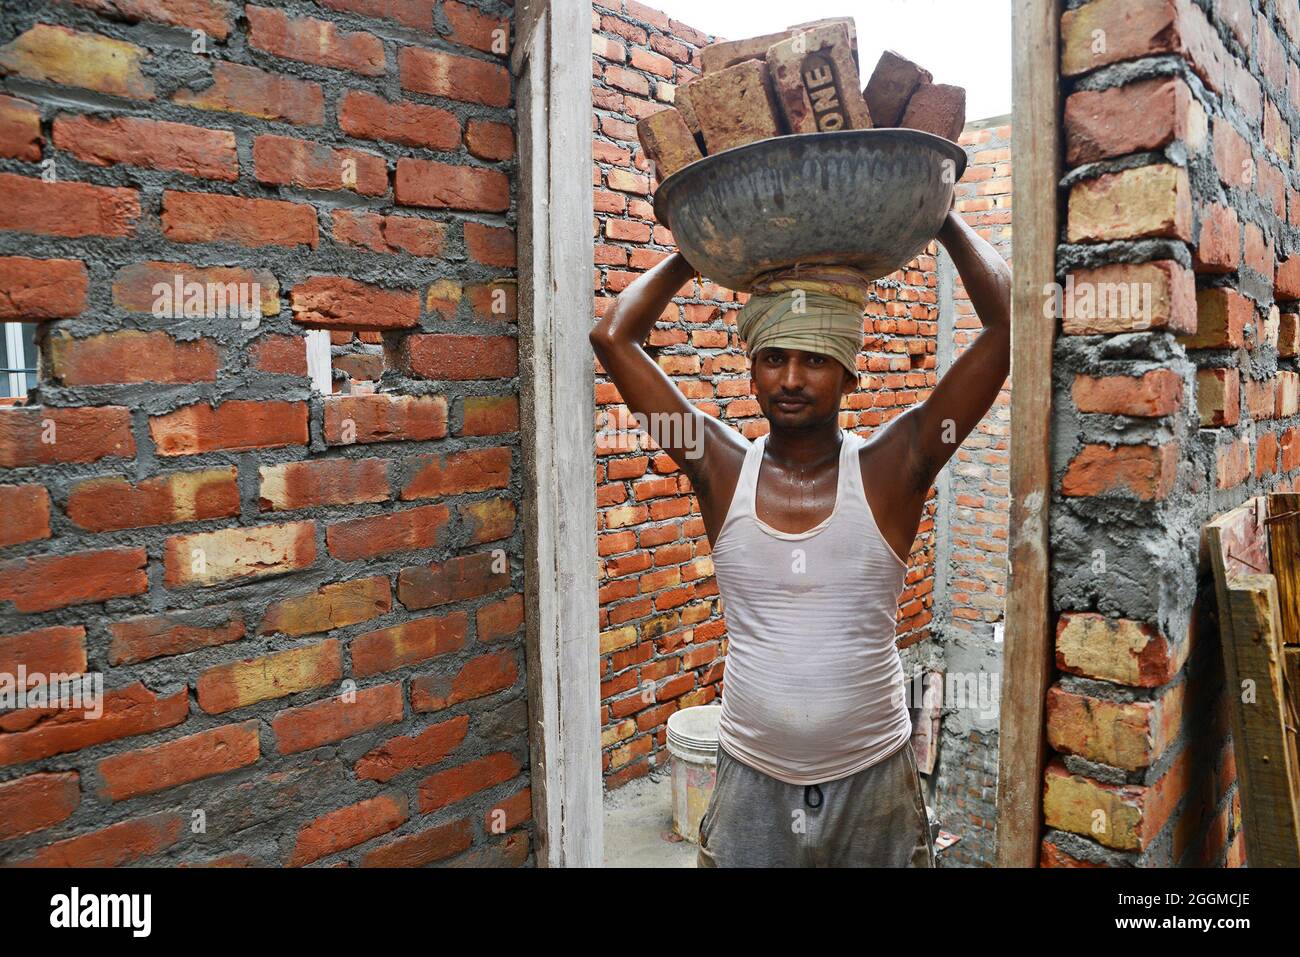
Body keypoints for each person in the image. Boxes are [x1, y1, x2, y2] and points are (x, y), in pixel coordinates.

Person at [588, 206, 1011, 867]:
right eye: (773, 357)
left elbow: (1009, 326)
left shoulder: (894, 467)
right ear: (751, 367)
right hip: (752, 778)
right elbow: (613, 336)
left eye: (814, 359)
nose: (790, 379)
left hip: (872, 778)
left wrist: (940, 218)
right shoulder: (718, 465)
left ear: (848, 373)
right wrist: (697, 250)